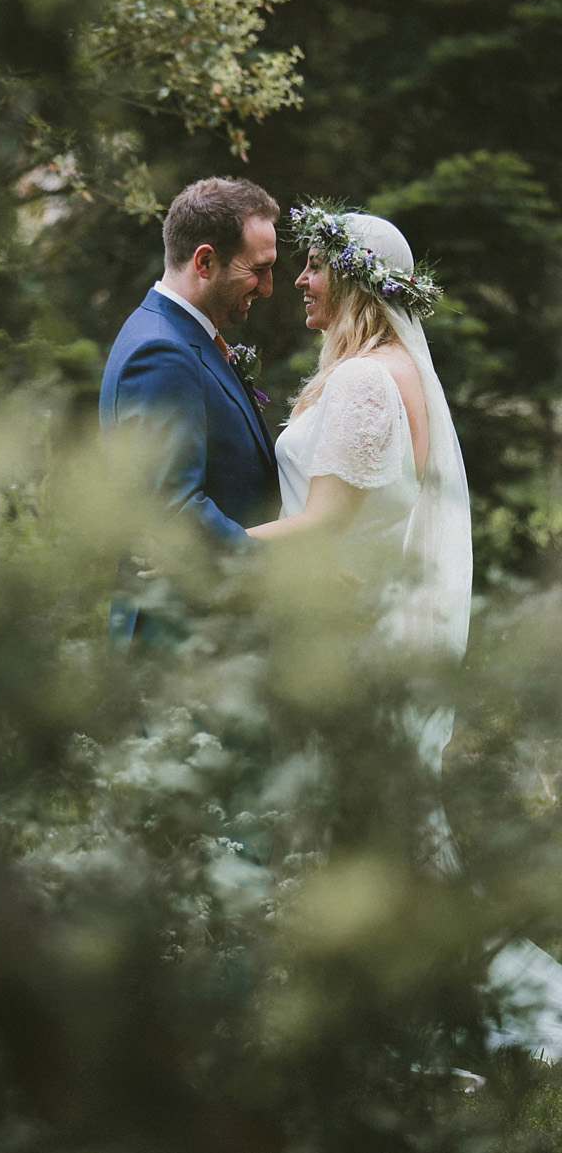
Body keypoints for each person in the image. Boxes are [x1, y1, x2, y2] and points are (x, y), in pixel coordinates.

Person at [250, 202, 562, 1063]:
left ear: (351, 279)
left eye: (314, 266)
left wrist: (207, 551)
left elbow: (324, 522)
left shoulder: (362, 380)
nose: (301, 282)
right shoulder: (401, 373)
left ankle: (396, 1012)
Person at [99, 176, 280, 645]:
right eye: (258, 269)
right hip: (179, 638)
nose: (268, 287)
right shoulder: (161, 351)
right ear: (205, 261)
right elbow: (176, 508)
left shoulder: (183, 336)